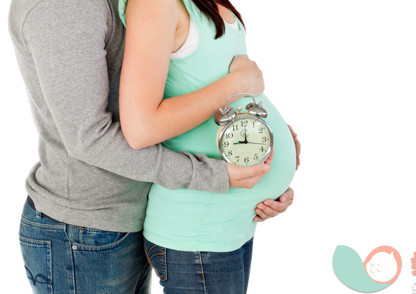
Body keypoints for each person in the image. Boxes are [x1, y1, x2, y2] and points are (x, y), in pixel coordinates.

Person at [7, 0, 299, 292]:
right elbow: (90, 139)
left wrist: (260, 153)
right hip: (84, 230)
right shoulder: (62, 8)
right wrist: (213, 176)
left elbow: (179, 87)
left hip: (137, 207)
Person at [118, 0, 298, 292]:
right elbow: (141, 129)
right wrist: (239, 81)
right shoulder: (155, 4)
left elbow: (211, 88)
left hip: (232, 223)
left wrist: (274, 145)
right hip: (198, 229)